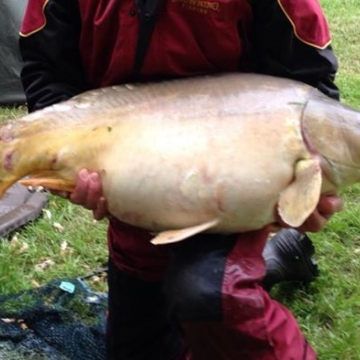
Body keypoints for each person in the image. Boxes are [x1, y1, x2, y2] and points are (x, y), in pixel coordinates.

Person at [19, 0, 343, 358]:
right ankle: (274, 257)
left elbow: (309, 82)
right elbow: (47, 71)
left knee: (209, 294)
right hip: (133, 180)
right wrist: (69, 161)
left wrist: (311, 173)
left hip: (229, 181)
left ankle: (248, 266)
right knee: (139, 345)